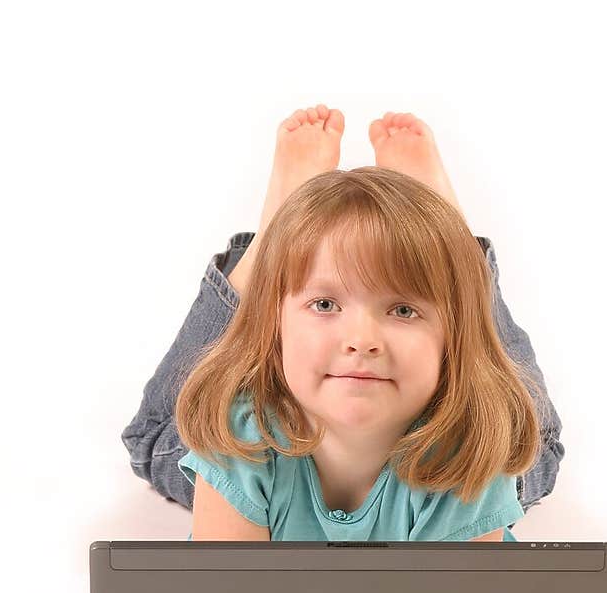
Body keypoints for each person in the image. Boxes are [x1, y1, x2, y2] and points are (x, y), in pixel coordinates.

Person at [121, 108, 564, 541]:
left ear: (452, 342)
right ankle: (276, 231)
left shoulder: (474, 453)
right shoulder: (235, 437)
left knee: (522, 449)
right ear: (271, 330)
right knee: (164, 440)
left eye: (403, 310)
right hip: (259, 450)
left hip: (453, 435)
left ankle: (449, 245)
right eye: (326, 303)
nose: (361, 341)